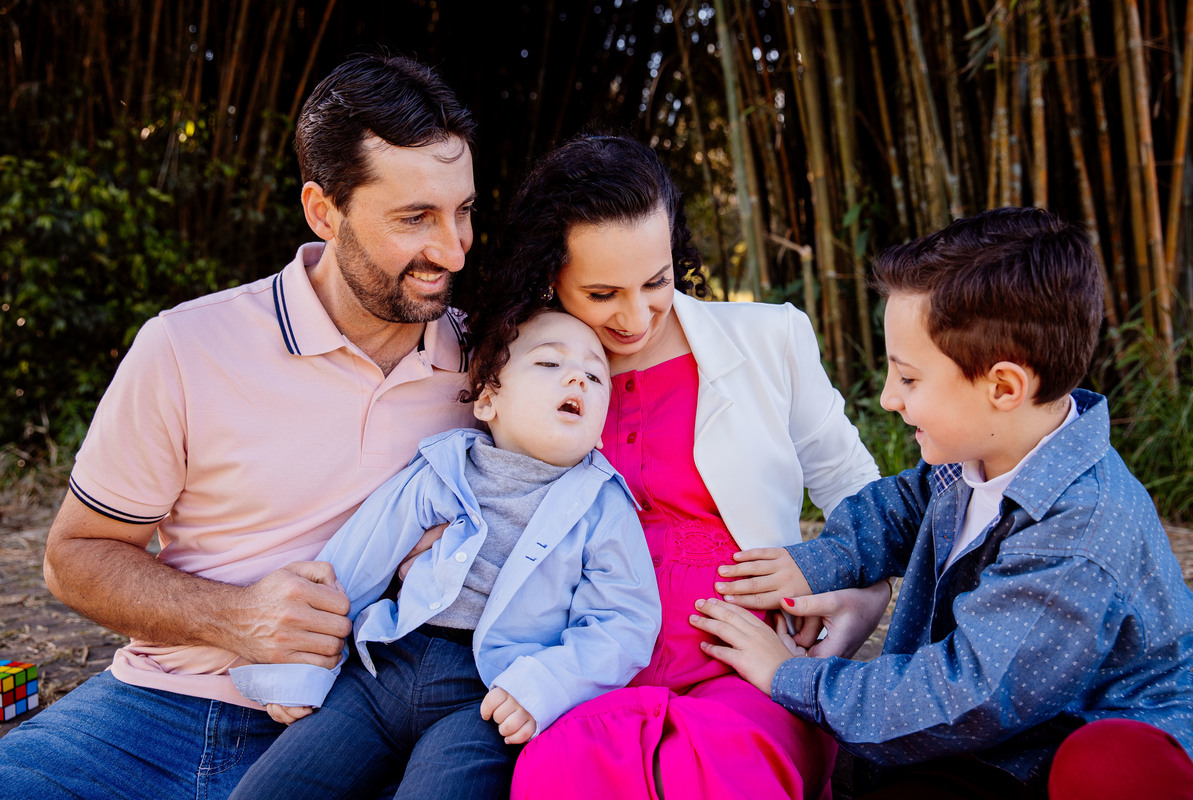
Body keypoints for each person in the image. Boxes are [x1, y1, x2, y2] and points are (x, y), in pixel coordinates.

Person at [0, 54, 482, 797]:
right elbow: (75, 557)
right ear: (323, 211)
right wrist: (235, 617)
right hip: (160, 711)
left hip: (368, 722)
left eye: (464, 211)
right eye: (415, 218)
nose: (452, 249)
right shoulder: (186, 345)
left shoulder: (498, 366)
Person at [691, 207, 1193, 799]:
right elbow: (902, 508)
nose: (888, 398)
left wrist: (791, 676)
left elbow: (966, 695)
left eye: (908, 378)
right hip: (995, 736)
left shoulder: (1079, 533)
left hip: (1063, 751)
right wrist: (818, 563)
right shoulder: (980, 456)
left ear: (1003, 387)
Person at [459, 133, 889, 800]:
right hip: (582, 669)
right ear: (551, 274)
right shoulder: (522, 364)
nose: (636, 316)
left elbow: (857, 491)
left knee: (723, 777)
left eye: (656, 282)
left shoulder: (769, 338)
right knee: (558, 778)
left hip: (744, 669)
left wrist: (864, 598)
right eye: (602, 293)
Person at [227, 310, 660, 799]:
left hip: (487, 697)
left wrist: (547, 684)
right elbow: (355, 562)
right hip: (381, 673)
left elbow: (624, 621)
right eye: (548, 363)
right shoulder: (445, 468)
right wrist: (296, 667)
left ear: (601, 429)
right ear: (488, 400)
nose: (578, 377)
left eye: (596, 376)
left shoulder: (603, 505)